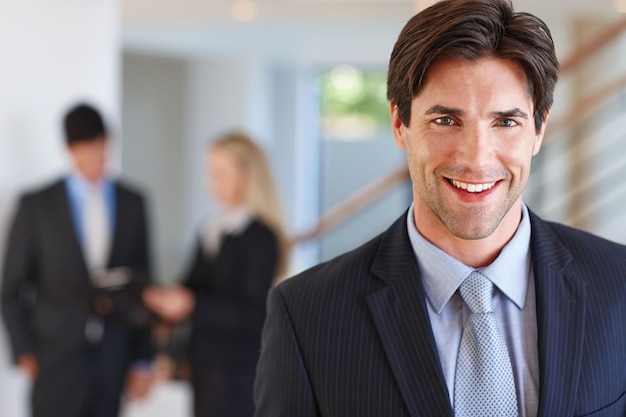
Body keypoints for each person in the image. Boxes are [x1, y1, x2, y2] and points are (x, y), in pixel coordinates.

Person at [253, 0, 626, 416]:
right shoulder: (306, 316)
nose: (477, 158)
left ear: (539, 129)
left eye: (506, 122)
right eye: (446, 120)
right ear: (400, 124)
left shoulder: (619, 286)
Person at [1, 103, 154, 417]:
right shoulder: (36, 206)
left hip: (113, 359)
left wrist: (142, 359)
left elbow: (144, 285)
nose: (95, 161)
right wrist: (24, 351)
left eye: (100, 150)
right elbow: (11, 288)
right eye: (86, 152)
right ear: (69, 148)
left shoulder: (133, 203)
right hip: (54, 359)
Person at [143, 132, 287, 417]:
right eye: (210, 173)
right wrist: (164, 300)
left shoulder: (260, 237)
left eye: (221, 173)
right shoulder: (211, 229)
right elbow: (192, 286)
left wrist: (191, 306)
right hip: (204, 368)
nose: (212, 182)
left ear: (246, 175)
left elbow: (253, 312)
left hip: (237, 374)